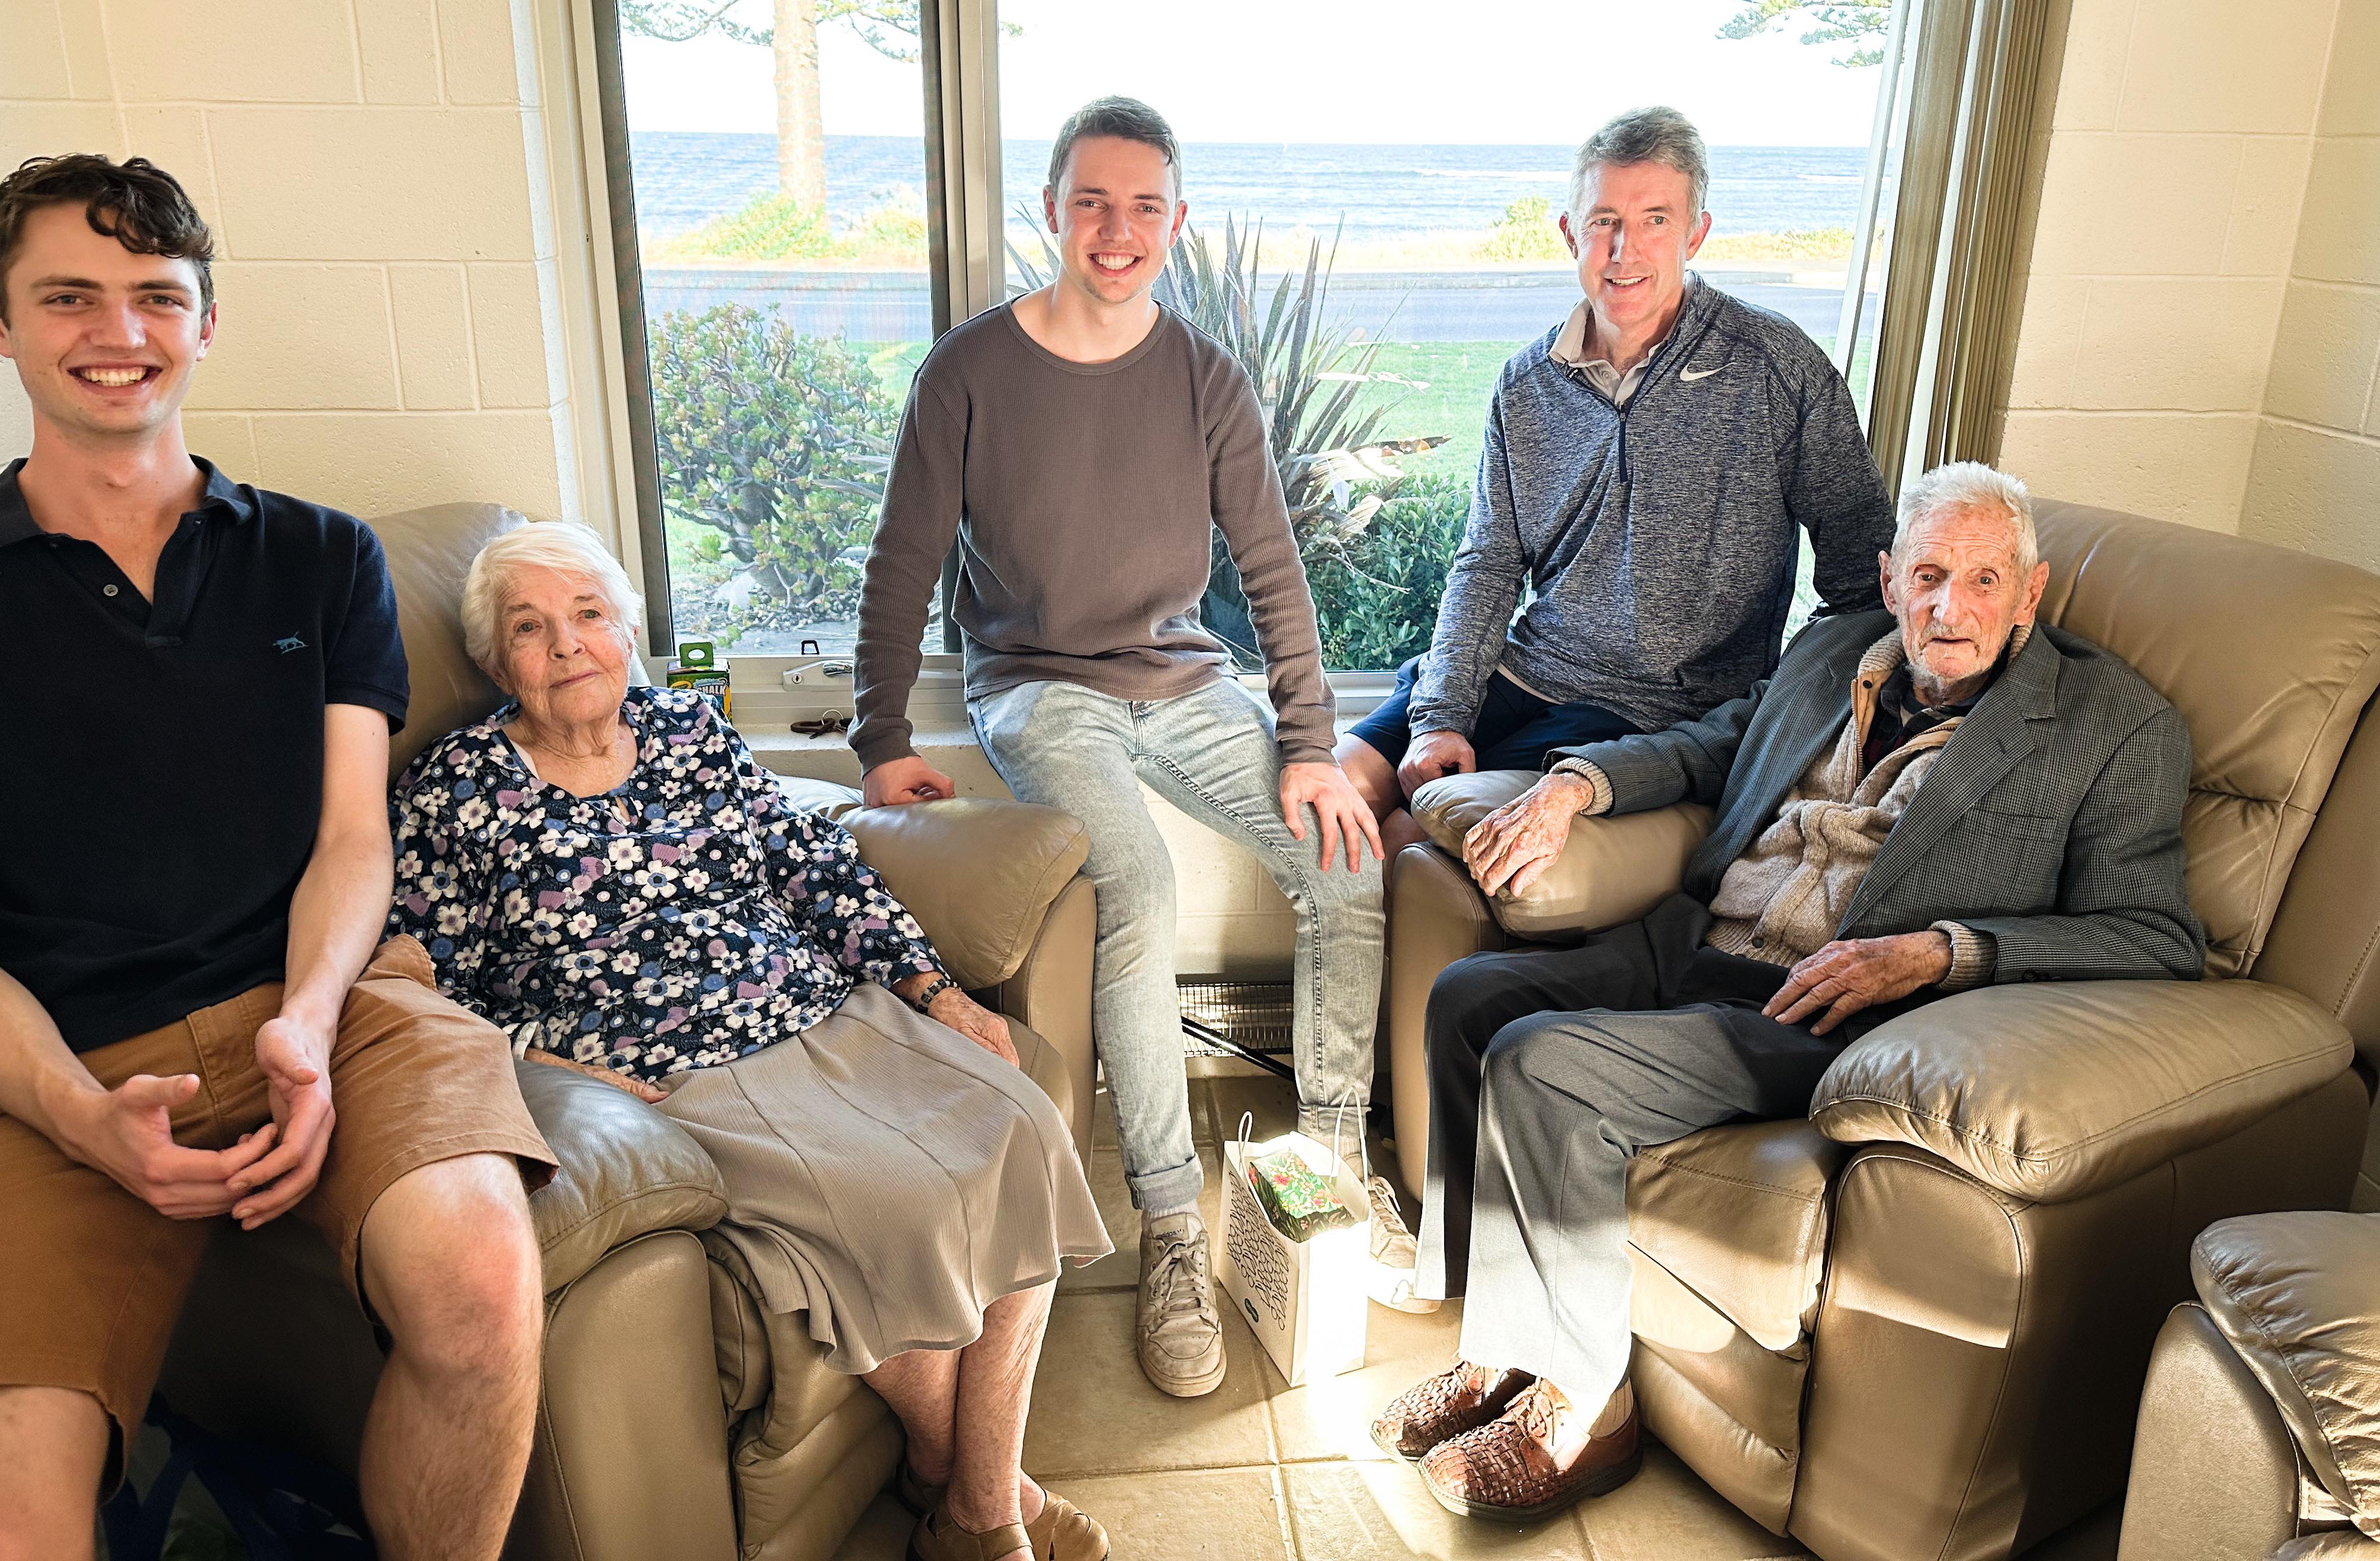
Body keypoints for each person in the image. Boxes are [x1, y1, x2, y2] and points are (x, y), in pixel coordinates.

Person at [1372, 462, 2203, 1523]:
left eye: (1986, 579)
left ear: (2031, 591)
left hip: (1825, 1012)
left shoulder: (2114, 727)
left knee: (1542, 1061)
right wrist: (1576, 783)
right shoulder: (1827, 653)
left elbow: (2155, 935)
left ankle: (1587, 1406)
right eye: (1931, 575)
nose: (1953, 607)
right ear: (1890, 577)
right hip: (1699, 941)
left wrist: (1946, 951)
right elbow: (1711, 744)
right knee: (1468, 997)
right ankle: (1496, 1342)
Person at [0, 154, 557, 1561]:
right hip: (63, 1058)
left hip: (333, 1006)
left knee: (484, 1282)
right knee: (21, 1506)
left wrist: (305, 1024)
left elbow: (354, 837)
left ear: (204, 320)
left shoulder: (323, 559)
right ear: (0, 325)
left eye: (153, 298)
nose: (117, 333)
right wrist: (73, 1115)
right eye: (70, 297)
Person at [388, 521, 1111, 1561]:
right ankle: (993, 1521)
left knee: (1023, 1122)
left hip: (822, 1006)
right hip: (668, 1069)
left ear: (625, 628)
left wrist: (931, 987)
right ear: (500, 663)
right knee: (895, 1203)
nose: (568, 643)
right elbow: (423, 981)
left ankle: (965, 1493)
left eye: (589, 614)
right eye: (531, 628)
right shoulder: (455, 792)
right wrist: (546, 1064)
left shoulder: (690, 729)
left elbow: (816, 867)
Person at [852, 94, 1399, 1398]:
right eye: (1091, 201)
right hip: (1042, 689)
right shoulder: (969, 374)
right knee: (1136, 891)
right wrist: (880, 738)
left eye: (1143, 205)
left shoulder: (1208, 377)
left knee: (1346, 863)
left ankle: (1327, 1160)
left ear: (1175, 221)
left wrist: (1311, 745)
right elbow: (902, 565)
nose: (1117, 230)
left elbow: (1272, 569)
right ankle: (1167, 1226)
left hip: (1184, 681)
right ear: (1050, 211)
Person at [1336, 106, 1895, 866]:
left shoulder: (1774, 367)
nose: (1624, 249)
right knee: (1341, 790)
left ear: (1695, 234)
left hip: (1656, 710)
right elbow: (1489, 564)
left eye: (1654, 220)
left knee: (1408, 840)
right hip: (1526, 666)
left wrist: (1777, 719)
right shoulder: (1526, 384)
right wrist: (1439, 716)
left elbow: (1863, 571)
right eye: (1604, 221)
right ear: (1570, 233)